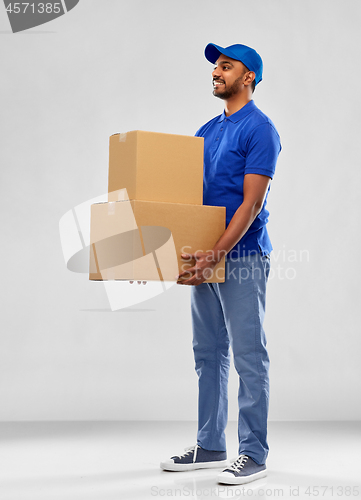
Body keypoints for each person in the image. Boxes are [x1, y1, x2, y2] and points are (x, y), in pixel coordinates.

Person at [160, 43, 281, 485]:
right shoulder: (206, 130)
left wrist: (218, 252)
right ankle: (211, 444)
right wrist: (180, 252)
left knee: (249, 356)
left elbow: (250, 205)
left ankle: (254, 453)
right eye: (215, 66)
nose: (217, 71)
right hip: (203, 257)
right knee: (208, 353)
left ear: (248, 76)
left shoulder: (260, 129)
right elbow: (187, 200)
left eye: (226, 66)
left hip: (242, 255)